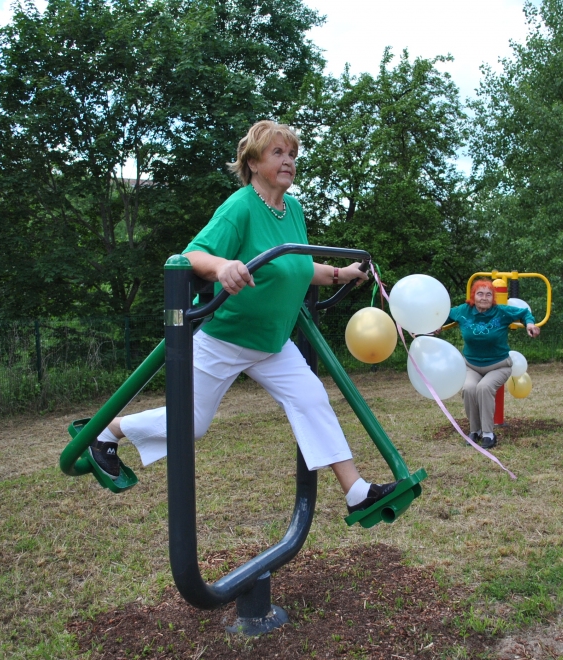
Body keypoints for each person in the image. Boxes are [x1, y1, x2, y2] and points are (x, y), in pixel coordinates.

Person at [90, 120, 398, 515]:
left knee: (312, 399)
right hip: (226, 337)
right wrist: (221, 268)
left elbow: (298, 268)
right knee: (193, 424)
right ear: (252, 162)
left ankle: (356, 491)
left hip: (272, 342)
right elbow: (192, 256)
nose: (288, 161)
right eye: (278, 153)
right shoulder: (240, 207)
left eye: (292, 155)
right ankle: (108, 431)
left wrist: (340, 273)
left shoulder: (293, 210)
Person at [443, 278, 540, 449]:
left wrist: (530, 324)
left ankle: (488, 433)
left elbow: (524, 312)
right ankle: (475, 431)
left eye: (489, 294)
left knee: (484, 388)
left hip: (499, 365)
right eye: (480, 294)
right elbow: (444, 315)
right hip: (471, 365)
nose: (484, 298)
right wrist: (435, 327)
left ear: (493, 298)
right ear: (473, 296)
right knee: (469, 389)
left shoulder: (501, 312)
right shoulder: (464, 311)